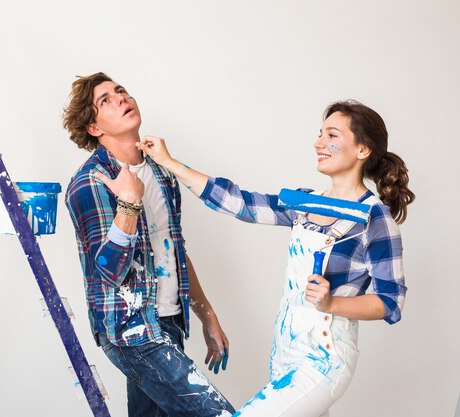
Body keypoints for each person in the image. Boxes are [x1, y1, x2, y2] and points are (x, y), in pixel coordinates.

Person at [138, 100, 415, 417]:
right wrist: (170, 162)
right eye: (320, 134)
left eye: (332, 135)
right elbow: (239, 203)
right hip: (284, 349)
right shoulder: (304, 202)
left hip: (324, 357)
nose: (319, 143)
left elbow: (391, 302)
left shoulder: (374, 218)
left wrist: (331, 303)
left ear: (363, 150)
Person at [62, 72, 235, 417]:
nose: (121, 98)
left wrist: (207, 315)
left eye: (121, 91)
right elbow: (108, 273)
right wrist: (128, 204)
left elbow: (174, 251)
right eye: (106, 101)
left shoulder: (161, 173)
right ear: (94, 129)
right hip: (131, 330)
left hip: (168, 320)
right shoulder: (90, 183)